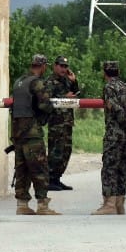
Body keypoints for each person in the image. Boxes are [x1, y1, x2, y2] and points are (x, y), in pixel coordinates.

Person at [10, 54, 60, 216]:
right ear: (43, 66)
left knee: (21, 169)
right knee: (39, 168)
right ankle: (42, 205)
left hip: (18, 133)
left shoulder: (19, 82)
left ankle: (22, 204)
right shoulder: (36, 82)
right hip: (32, 133)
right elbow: (45, 105)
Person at [91, 61, 126, 216]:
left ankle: (110, 203)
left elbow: (115, 108)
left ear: (104, 73)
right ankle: (120, 203)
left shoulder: (109, 88)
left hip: (114, 135)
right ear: (118, 71)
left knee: (110, 168)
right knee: (123, 168)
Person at [45, 55, 80, 191]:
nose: (63, 69)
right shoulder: (50, 81)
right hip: (56, 123)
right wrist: (64, 97)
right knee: (56, 151)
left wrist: (74, 81)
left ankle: (57, 178)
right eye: (61, 66)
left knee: (66, 151)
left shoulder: (66, 80)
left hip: (67, 122)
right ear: (55, 66)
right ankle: (49, 179)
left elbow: (76, 93)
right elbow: (46, 98)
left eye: (65, 66)